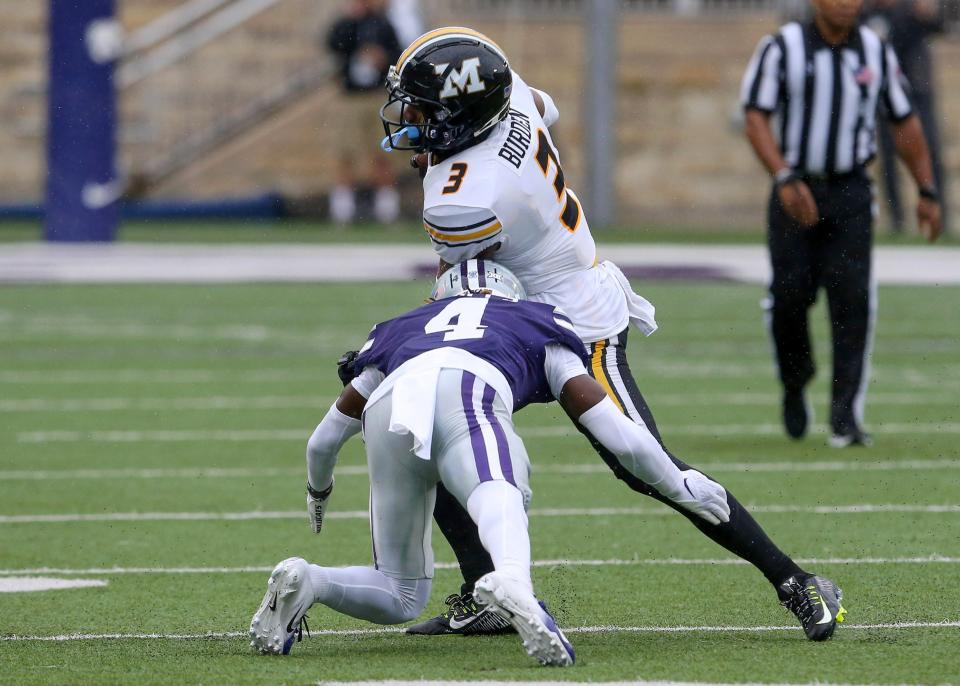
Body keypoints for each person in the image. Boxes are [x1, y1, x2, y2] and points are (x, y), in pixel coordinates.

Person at [378, 27, 846, 640]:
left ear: (462, 112)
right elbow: (545, 110)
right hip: (526, 306)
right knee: (429, 430)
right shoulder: (509, 95)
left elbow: (459, 275)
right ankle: (484, 589)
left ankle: (793, 579)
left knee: (646, 466)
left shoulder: (458, 200)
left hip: (567, 323)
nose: (408, 118)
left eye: (424, 108)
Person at [249, 260, 732, 666]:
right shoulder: (536, 320)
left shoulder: (399, 329)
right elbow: (613, 429)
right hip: (468, 390)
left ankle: (307, 579)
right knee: (501, 484)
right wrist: (678, 482)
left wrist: (318, 493)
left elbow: (323, 440)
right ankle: (513, 580)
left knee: (401, 595)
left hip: (390, 409)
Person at [741, 0, 942, 446]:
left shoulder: (876, 51)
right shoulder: (782, 47)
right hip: (795, 191)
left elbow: (903, 121)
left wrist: (926, 190)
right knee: (789, 298)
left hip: (851, 192)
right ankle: (796, 381)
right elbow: (755, 116)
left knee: (852, 301)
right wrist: (783, 176)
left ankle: (845, 414)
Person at [865, 0, 949, 234]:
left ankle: (939, 214)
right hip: (886, 96)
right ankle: (897, 220)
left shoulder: (911, 9)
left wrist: (928, 13)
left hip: (918, 91)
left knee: (930, 151)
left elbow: (940, 27)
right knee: (889, 159)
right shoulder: (871, 13)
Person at [325, 0, 402, 224]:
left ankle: (386, 208)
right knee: (345, 151)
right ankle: (343, 209)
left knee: (382, 152)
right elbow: (333, 44)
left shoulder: (383, 24)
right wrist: (351, 19)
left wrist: (382, 58)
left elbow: (397, 54)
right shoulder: (346, 24)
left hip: (376, 95)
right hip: (351, 97)